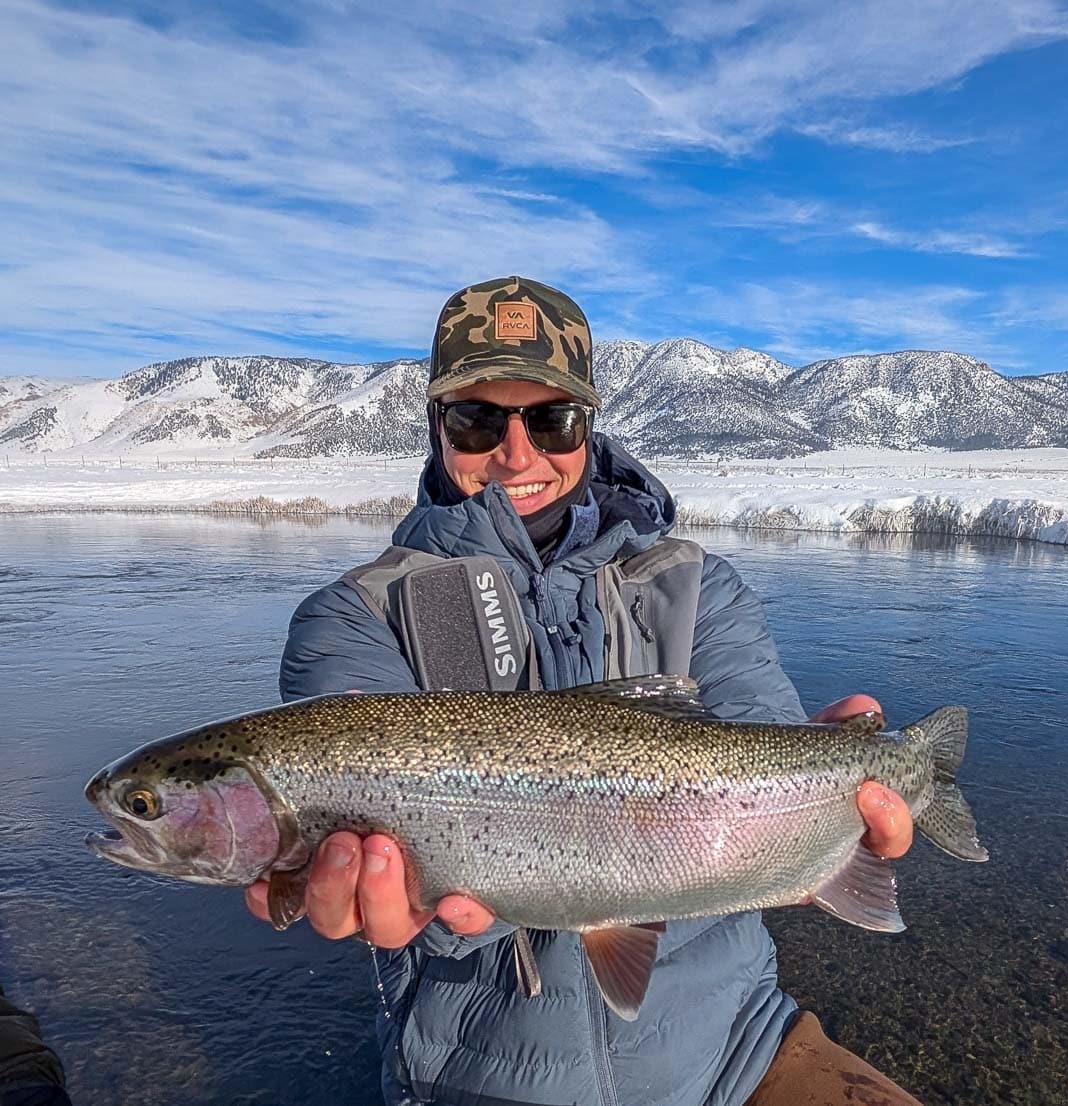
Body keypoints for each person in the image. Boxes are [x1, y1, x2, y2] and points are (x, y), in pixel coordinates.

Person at [246, 276, 922, 1105]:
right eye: (478, 418)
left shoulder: (697, 587)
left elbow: (761, 729)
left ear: (588, 426)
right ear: (437, 426)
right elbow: (358, 801)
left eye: (550, 418)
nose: (517, 453)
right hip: (480, 1077)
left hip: (738, 1047)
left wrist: (824, 807)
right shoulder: (356, 617)